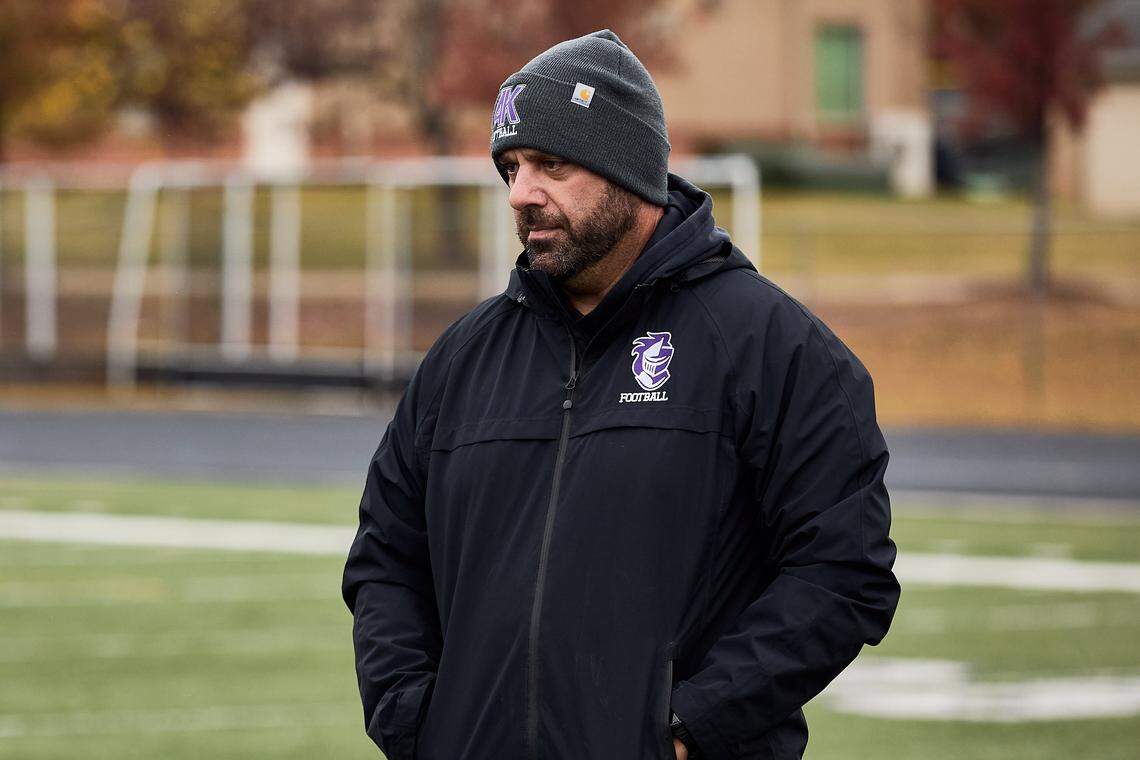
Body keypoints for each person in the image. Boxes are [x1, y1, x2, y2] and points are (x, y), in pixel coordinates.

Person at [343, 28, 900, 760]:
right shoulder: (462, 361)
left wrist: (687, 728)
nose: (521, 194)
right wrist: (416, 723)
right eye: (510, 167)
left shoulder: (771, 347)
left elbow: (842, 572)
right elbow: (386, 558)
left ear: (628, 169)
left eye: (551, 164)